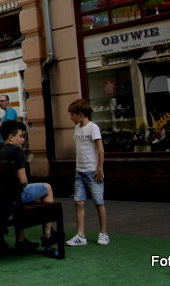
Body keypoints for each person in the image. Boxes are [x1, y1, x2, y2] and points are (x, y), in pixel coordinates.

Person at [0, 120, 56, 252]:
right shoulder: (16, 151)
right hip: (15, 196)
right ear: (11, 137)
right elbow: (23, 180)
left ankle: (21, 239)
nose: (23, 139)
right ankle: (47, 234)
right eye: (22, 136)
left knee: (20, 195)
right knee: (47, 187)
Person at [65, 99, 109, 247]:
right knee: (79, 202)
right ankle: (80, 235)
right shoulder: (76, 128)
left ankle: (103, 233)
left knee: (99, 202)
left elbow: (100, 149)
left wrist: (100, 168)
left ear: (81, 114)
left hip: (93, 172)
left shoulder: (93, 128)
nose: (71, 117)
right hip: (80, 172)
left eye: (72, 115)